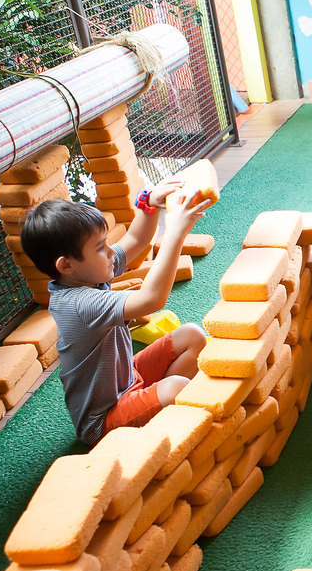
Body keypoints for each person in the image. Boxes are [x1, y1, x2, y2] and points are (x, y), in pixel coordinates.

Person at [20, 181, 211, 444]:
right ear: (66, 265)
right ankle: (162, 409)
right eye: (100, 247)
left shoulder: (89, 274)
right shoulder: (79, 303)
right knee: (176, 387)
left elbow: (136, 239)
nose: (111, 251)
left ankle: (156, 404)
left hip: (129, 378)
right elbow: (152, 299)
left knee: (192, 336)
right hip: (105, 419)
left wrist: (148, 203)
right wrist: (175, 233)